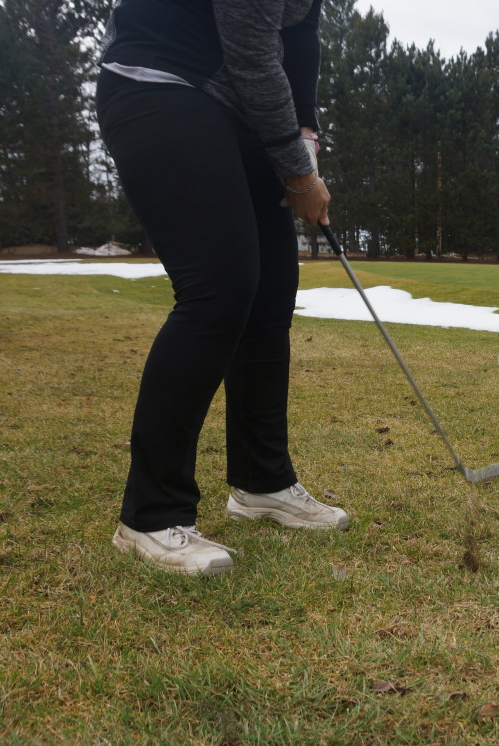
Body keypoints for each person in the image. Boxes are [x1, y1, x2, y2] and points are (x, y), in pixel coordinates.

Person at [96, 0, 349, 577]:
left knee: (270, 297)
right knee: (220, 289)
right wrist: (298, 172)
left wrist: (305, 135)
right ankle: (151, 515)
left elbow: (300, 40)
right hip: (161, 82)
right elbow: (252, 51)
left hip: (240, 113)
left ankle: (262, 483)